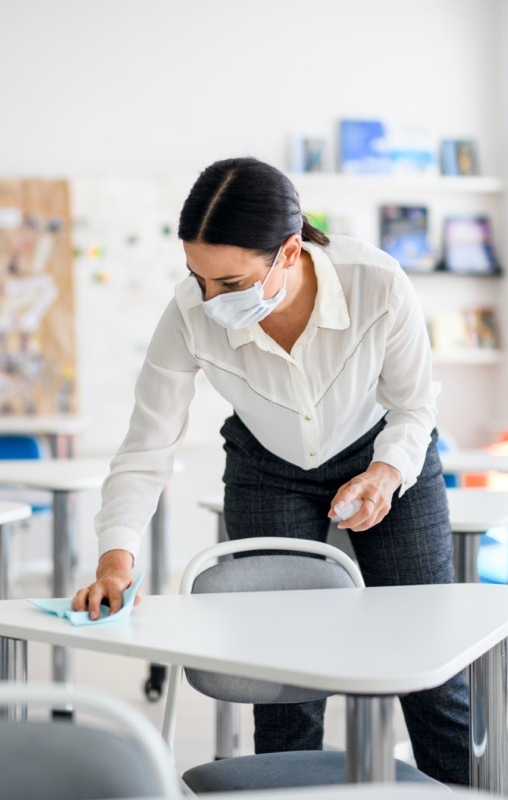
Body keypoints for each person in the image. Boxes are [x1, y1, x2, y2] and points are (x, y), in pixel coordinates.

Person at [71, 156, 468, 785]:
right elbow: (147, 446)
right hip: (266, 467)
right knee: (282, 676)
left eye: (230, 283)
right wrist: (116, 555)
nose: (209, 299)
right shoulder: (188, 315)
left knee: (432, 668)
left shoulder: (377, 282)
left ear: (288, 251)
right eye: (196, 277)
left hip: (384, 457)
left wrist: (387, 474)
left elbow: (414, 406)